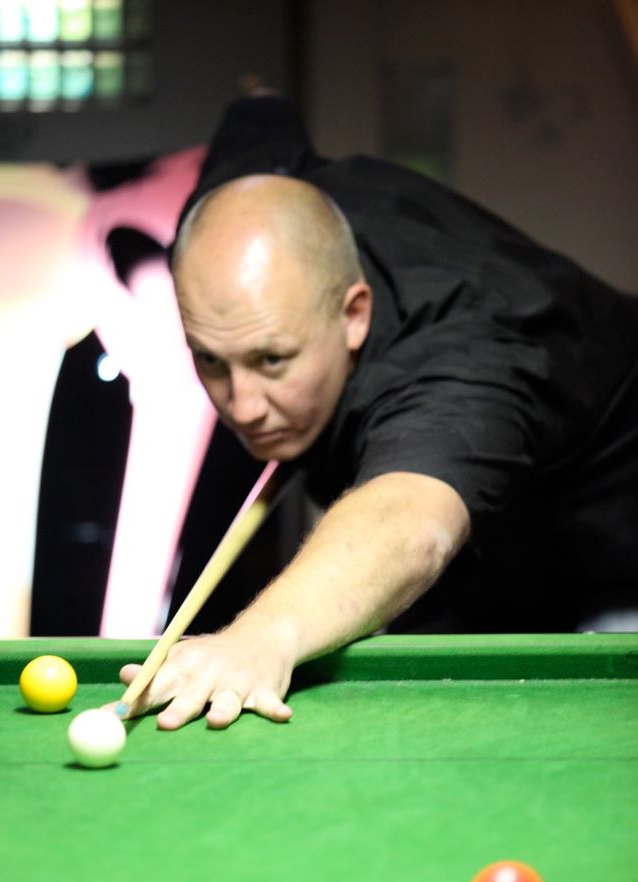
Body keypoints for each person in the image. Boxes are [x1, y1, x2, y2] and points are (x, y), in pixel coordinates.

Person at [117, 93, 638, 731]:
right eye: (211, 360)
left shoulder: (467, 359)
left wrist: (261, 637)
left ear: (354, 315)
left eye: (273, 359)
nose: (243, 407)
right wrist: (257, 95)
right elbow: (258, 122)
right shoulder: (236, 201)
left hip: (611, 534)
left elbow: (410, 519)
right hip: (489, 556)